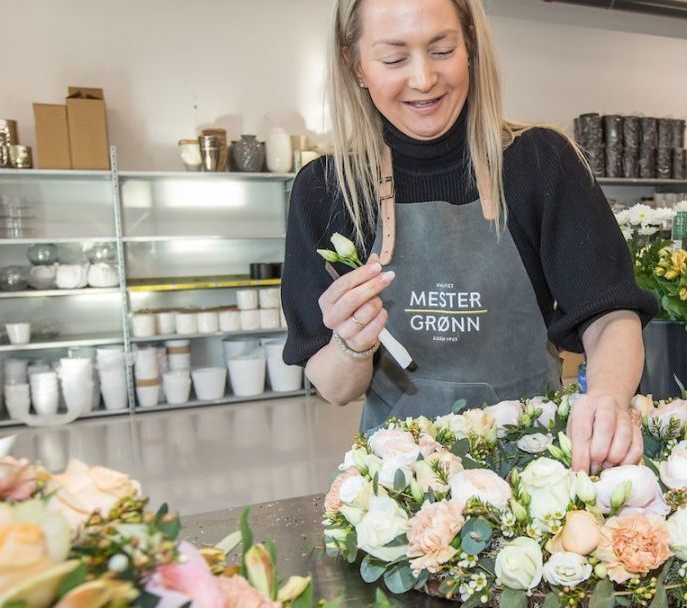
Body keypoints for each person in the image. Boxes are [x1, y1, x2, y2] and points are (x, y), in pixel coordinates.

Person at [282, 0, 658, 473]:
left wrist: (607, 396)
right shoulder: (327, 189)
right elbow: (335, 388)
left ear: (471, 48)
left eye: (441, 50)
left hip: (534, 474)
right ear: (355, 64)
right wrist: (352, 344)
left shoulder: (540, 163)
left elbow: (609, 314)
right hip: (399, 483)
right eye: (395, 59)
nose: (423, 79)